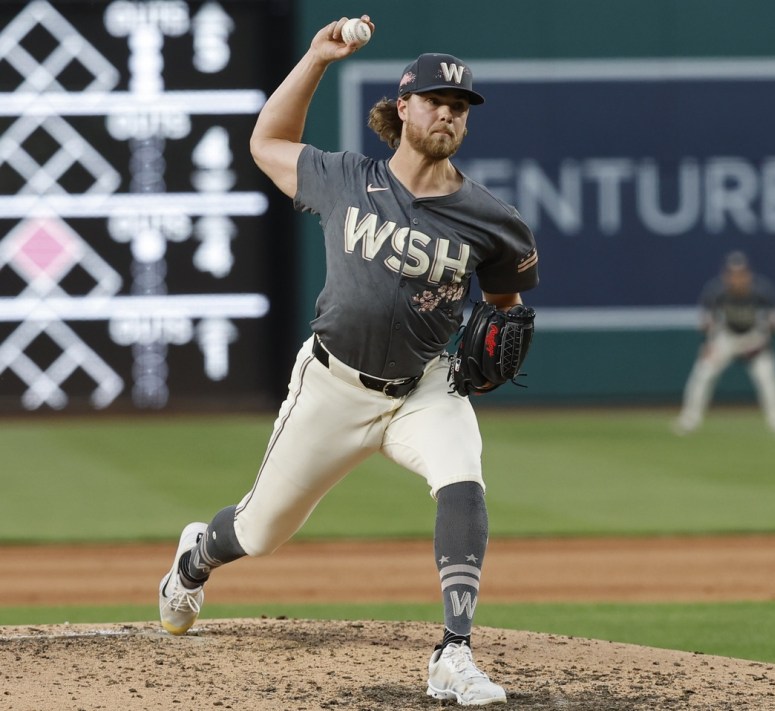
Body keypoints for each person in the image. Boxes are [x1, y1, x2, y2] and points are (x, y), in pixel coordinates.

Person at [157, 15, 538, 707]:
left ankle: (454, 651)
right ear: (402, 108)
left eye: (459, 108)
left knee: (463, 478)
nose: (449, 114)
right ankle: (196, 556)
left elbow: (506, 302)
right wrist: (316, 57)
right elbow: (267, 141)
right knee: (260, 529)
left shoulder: (492, 218)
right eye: (436, 102)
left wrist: (498, 336)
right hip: (332, 385)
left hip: (425, 386)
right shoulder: (344, 179)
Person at [675, 251, 775, 437]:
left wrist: (766, 339)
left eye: (741, 274)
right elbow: (706, 322)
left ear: (748, 274)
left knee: (768, 378)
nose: (737, 279)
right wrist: (708, 343)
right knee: (703, 373)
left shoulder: (763, 291)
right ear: (726, 275)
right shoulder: (715, 292)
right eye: (733, 274)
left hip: (754, 339)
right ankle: (689, 419)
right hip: (727, 338)